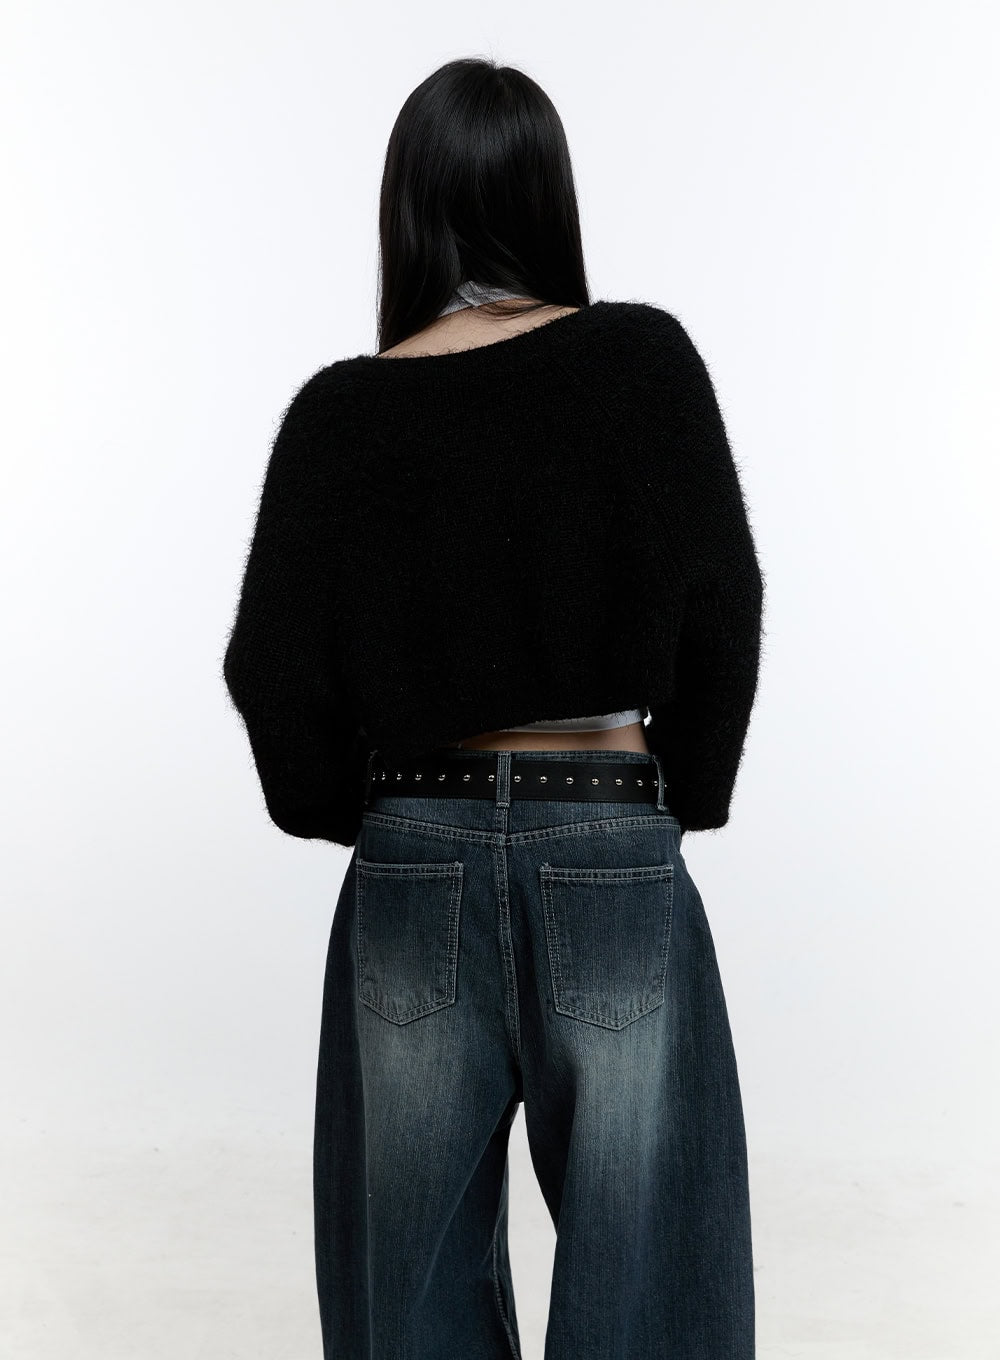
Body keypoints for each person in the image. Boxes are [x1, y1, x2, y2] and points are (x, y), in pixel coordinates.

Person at [222, 55, 765, 1360]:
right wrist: (684, 792)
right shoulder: (643, 359)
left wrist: (364, 817)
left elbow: (270, 668)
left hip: (416, 853)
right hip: (609, 839)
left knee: (410, 1288)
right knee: (647, 1282)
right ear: (548, 199)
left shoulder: (341, 414)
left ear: (406, 210)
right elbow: (725, 600)